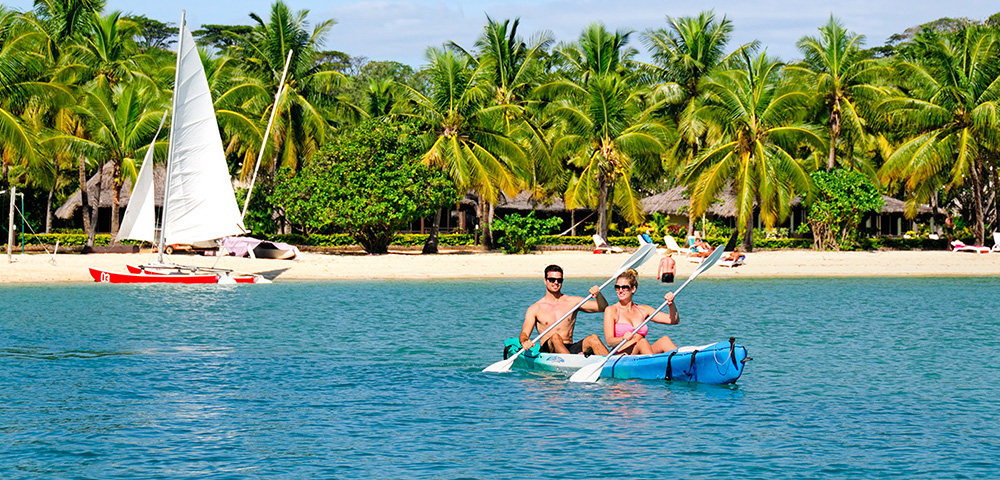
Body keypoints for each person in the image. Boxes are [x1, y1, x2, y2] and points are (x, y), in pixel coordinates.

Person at [519, 265, 611, 356]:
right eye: (552, 280)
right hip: (549, 350)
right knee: (555, 337)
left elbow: (603, 307)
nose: (556, 282)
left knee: (593, 339)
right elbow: (524, 333)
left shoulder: (572, 302)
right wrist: (524, 341)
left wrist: (598, 294)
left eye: (559, 280)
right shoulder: (535, 308)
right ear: (545, 281)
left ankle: (612, 365)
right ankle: (572, 363)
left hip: (569, 347)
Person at [603, 269, 679, 355]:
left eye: (624, 287)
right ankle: (654, 365)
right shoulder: (611, 310)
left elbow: (673, 320)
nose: (620, 290)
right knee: (642, 342)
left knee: (665, 340)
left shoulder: (644, 309)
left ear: (633, 289)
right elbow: (609, 342)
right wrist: (622, 338)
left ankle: (685, 363)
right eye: (617, 287)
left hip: (642, 352)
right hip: (621, 355)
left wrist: (671, 304)